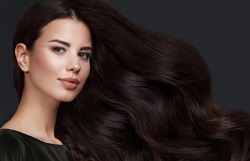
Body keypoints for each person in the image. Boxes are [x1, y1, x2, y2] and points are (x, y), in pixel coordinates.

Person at [0, 0, 249, 161]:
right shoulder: (9, 147)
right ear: (23, 57)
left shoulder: (80, 145)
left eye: (84, 54)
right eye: (59, 49)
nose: (75, 65)